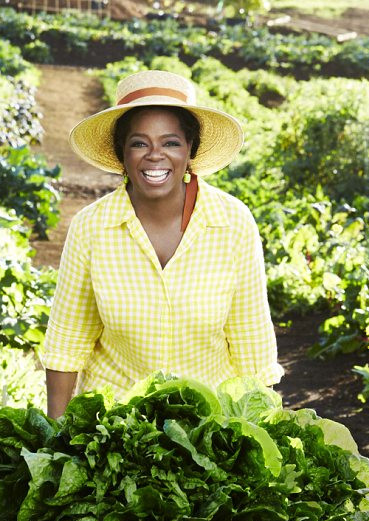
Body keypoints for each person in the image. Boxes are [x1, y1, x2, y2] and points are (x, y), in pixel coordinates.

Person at [42, 68, 283, 419]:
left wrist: (261, 438)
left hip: (208, 431)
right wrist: (55, 440)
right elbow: (66, 346)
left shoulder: (232, 224)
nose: (155, 155)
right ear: (121, 154)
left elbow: (254, 352)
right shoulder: (91, 228)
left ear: (190, 151)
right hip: (113, 430)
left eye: (170, 142)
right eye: (139, 143)